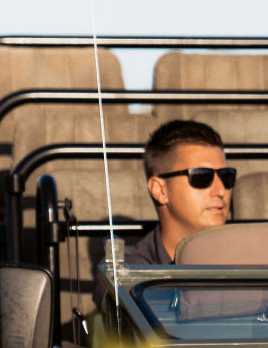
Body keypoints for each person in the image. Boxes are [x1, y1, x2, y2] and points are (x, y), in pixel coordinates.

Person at [92, 118, 234, 309]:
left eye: (226, 176)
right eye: (201, 177)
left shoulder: (249, 257)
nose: (220, 190)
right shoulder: (128, 270)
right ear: (160, 190)